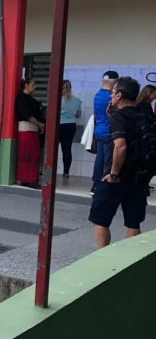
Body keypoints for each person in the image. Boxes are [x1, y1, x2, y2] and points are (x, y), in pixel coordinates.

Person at [89, 77, 152, 248]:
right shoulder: (146, 115)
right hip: (139, 178)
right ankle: (128, 262)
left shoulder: (119, 116)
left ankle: (102, 259)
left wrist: (114, 174)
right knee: (133, 223)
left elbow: (120, 146)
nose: (111, 96)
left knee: (100, 220)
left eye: (113, 93)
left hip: (117, 177)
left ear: (120, 95)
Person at [15, 77, 45, 189]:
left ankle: (29, 179)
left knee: (33, 155)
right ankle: (27, 179)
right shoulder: (22, 99)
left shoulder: (29, 99)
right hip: (26, 130)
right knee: (27, 155)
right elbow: (27, 115)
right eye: (33, 84)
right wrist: (40, 124)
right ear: (26, 85)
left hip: (33, 130)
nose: (35, 86)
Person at [92, 71, 119, 192]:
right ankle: (103, 185)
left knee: (100, 159)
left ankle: (95, 185)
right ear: (113, 82)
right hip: (109, 132)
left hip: (99, 131)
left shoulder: (98, 94)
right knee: (107, 161)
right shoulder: (110, 97)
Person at [59, 80, 82, 178]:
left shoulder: (58, 100)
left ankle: (49, 170)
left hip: (59, 125)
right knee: (67, 149)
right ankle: (66, 172)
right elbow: (78, 115)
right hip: (71, 126)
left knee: (52, 148)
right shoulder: (77, 100)